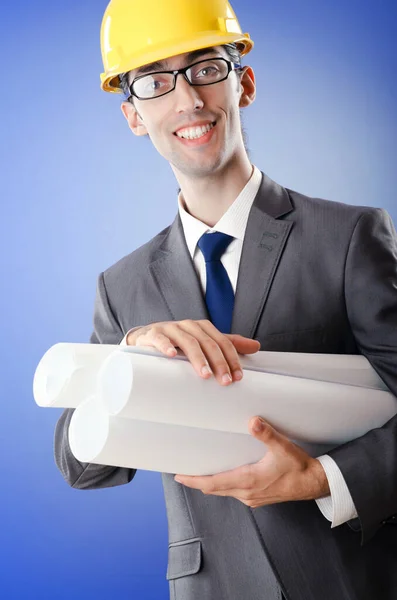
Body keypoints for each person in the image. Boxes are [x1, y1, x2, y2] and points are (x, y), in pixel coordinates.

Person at [54, 0, 397, 598]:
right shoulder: (124, 285)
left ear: (246, 83)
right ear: (134, 115)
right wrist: (127, 357)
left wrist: (324, 477)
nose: (187, 100)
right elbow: (83, 465)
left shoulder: (347, 238)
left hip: (344, 577)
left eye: (206, 69)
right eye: (156, 81)